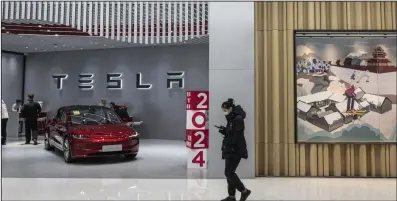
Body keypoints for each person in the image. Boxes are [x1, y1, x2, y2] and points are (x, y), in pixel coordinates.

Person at [217, 98, 251, 201]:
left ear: (230, 108)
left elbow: (237, 137)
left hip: (235, 150)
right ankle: (231, 196)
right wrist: (225, 131)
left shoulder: (238, 119)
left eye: (226, 110)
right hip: (230, 149)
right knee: (229, 173)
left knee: (229, 173)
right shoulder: (232, 118)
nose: (225, 112)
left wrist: (227, 140)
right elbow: (232, 132)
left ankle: (244, 191)